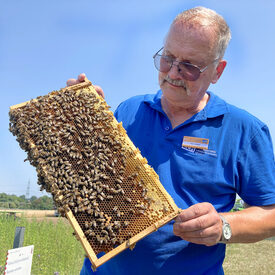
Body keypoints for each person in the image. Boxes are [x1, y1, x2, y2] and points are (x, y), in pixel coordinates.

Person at [68, 6, 275, 275]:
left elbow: (270, 213)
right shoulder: (128, 111)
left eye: (190, 65)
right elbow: (93, 180)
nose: (174, 72)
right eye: (168, 58)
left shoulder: (245, 130)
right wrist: (84, 123)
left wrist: (222, 225)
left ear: (217, 71)